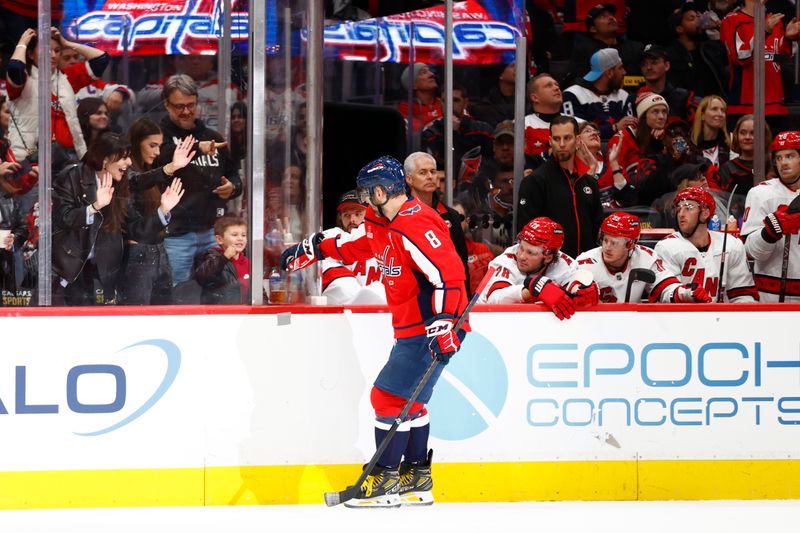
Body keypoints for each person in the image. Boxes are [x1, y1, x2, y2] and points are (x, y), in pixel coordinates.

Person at [279, 155, 469, 507]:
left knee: (386, 397)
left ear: (382, 191)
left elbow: (450, 275)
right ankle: (415, 477)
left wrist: (444, 324)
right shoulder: (384, 224)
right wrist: (316, 248)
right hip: (416, 327)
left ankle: (382, 481)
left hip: (429, 328)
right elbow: (357, 246)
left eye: (368, 193)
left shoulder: (416, 222)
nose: (364, 200)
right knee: (411, 403)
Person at [52, 131, 184, 305]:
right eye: (124, 158)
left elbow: (136, 229)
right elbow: (63, 218)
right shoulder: (72, 176)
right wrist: (94, 207)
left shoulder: (120, 183)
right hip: (70, 265)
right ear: (105, 159)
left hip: (105, 265)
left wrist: (163, 209)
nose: (129, 162)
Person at [153, 74, 243, 287]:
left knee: (220, 290)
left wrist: (232, 187)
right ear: (166, 104)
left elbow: (235, 176)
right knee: (177, 293)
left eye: (190, 105)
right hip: (175, 234)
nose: (186, 111)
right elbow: (160, 159)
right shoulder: (157, 137)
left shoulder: (214, 137)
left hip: (213, 232)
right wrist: (196, 147)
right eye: (179, 106)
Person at [6, 27, 109, 171]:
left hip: (67, 156)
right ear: (30, 54)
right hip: (30, 158)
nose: (53, 55)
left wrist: (66, 43)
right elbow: (15, 67)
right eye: (46, 49)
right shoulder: (22, 79)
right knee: (33, 194)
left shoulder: (67, 77)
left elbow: (101, 59)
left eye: (57, 50)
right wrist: (22, 43)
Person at [122, 117, 197, 305]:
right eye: (152, 145)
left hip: (159, 248)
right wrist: (171, 167)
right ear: (136, 143)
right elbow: (136, 182)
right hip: (138, 251)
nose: (157, 152)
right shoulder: (125, 171)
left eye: (160, 146)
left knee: (163, 310)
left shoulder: (150, 168)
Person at [478, 217, 599, 320]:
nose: (521, 256)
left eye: (530, 253)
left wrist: (584, 292)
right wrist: (530, 292)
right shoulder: (505, 261)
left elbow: (577, 288)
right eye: (521, 247)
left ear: (548, 257)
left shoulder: (565, 265)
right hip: (489, 326)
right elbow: (494, 299)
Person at [517, 115, 604, 258]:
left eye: (567, 138)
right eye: (557, 139)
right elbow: (525, 234)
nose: (562, 144)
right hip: (551, 269)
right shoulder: (535, 181)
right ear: (550, 141)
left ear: (577, 141)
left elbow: (598, 230)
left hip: (586, 269)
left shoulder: (590, 182)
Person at [576, 212, 712, 302]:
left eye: (614, 242)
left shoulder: (647, 257)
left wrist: (685, 294)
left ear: (630, 244)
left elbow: (665, 287)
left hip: (634, 328)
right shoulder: (585, 263)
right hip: (595, 330)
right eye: (605, 240)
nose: (607, 247)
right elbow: (568, 291)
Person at [655, 186, 757, 302]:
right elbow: (665, 293)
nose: (681, 214)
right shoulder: (667, 246)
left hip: (721, 318)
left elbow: (743, 294)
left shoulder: (730, 244)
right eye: (678, 208)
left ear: (705, 213)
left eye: (688, 207)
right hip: (683, 318)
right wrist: (685, 294)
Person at [720, 0, 800, 132]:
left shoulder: (775, 20)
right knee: (742, 151)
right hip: (744, 105)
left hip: (775, 105)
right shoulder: (732, 20)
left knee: (775, 152)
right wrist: (763, 31)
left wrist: (788, 39)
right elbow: (740, 57)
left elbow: (780, 59)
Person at [741, 131, 800, 302]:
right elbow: (750, 251)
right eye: (779, 158)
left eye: (790, 156)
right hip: (770, 294)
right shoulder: (761, 193)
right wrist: (770, 232)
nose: (783, 163)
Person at [404, 152, 471, 294]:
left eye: (433, 172)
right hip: (412, 292)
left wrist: (465, 297)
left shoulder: (451, 215)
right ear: (409, 179)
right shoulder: (399, 214)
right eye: (422, 173)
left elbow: (461, 261)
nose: (430, 176)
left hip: (447, 291)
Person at [319, 190, 385, 305]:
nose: (352, 220)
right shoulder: (331, 238)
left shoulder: (384, 237)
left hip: (385, 313)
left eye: (358, 214)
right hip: (346, 312)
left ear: (370, 214)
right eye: (346, 215)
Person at [562, 48, 636, 140]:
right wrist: (614, 128)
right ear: (609, 73)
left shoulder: (623, 95)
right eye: (620, 68)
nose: (624, 72)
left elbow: (632, 130)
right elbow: (576, 131)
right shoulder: (573, 95)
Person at [421, 84, 493, 171]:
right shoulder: (430, 134)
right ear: (440, 103)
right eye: (445, 101)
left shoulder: (483, 131)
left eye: (456, 100)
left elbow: (491, 163)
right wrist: (451, 133)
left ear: (465, 103)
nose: (450, 105)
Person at [666, 2, 729, 99]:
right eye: (692, 18)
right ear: (680, 29)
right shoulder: (671, 55)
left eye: (698, 16)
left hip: (715, 107)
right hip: (689, 109)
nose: (698, 20)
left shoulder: (710, 49)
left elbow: (734, 50)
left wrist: (720, 26)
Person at [569, 3, 644, 83]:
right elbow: (581, 80)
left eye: (611, 15)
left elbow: (643, 79)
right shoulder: (584, 50)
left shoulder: (635, 48)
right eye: (603, 16)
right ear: (593, 29)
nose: (611, 18)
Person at [193, 216, 250, 305]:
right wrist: (224, 257)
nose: (240, 238)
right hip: (220, 314)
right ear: (219, 239)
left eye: (243, 235)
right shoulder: (211, 257)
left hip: (247, 314)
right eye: (234, 235)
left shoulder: (248, 261)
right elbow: (203, 277)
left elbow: (258, 290)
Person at [714, 114, 772, 198]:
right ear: (736, 136)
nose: (747, 137)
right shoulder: (728, 168)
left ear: (764, 136)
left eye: (753, 133)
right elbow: (723, 201)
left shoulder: (772, 164)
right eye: (743, 133)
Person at [637, 44, 693, 121]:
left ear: (666, 65)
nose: (648, 67)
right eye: (644, 64)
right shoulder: (634, 98)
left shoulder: (683, 97)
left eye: (654, 62)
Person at [453, 200, 494, 295]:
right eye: (449, 218)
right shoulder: (432, 253)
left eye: (459, 218)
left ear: (467, 221)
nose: (454, 222)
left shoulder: (481, 251)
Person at [524, 74, 565, 157]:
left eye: (557, 85)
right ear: (535, 98)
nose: (557, 88)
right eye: (549, 86)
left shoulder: (578, 123)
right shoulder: (522, 125)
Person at [396, 63, 443, 132]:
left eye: (430, 71)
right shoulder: (405, 108)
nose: (432, 74)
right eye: (424, 72)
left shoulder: (444, 102)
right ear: (414, 85)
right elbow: (415, 133)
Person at [691, 95, 731, 166]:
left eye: (723, 110)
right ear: (702, 115)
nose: (720, 114)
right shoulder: (689, 144)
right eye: (714, 109)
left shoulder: (731, 142)